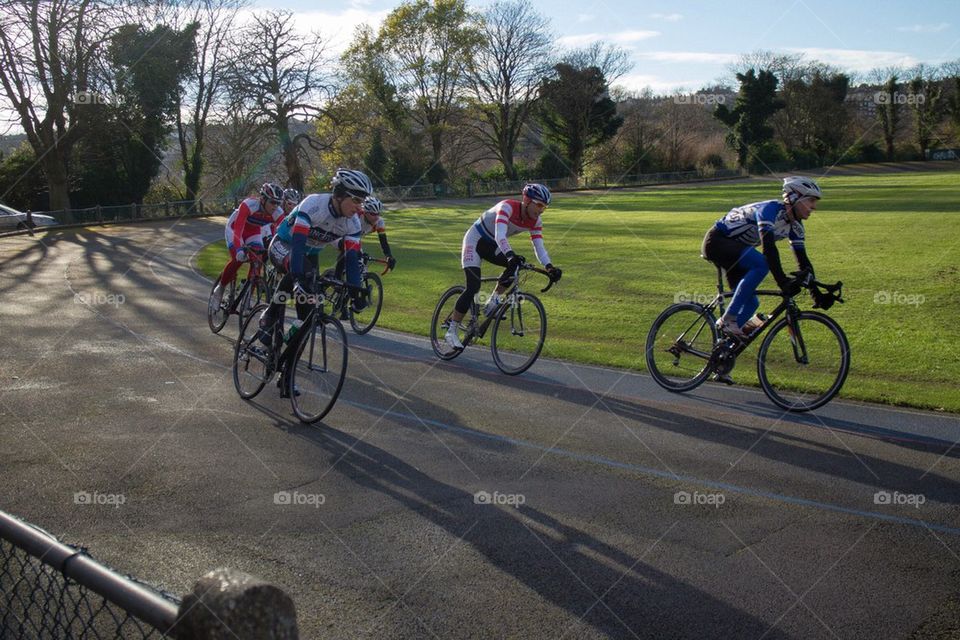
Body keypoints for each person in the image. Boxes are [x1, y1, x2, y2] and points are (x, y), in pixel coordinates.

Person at [258, 169, 374, 394]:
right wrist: (299, 279)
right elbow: (299, 245)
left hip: (311, 255)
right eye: (356, 200)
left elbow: (351, 261)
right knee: (298, 270)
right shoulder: (314, 205)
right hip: (285, 244)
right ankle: (270, 313)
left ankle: (287, 374)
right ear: (339, 195)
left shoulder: (352, 223)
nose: (360, 208)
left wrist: (356, 292)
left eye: (363, 201)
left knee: (307, 318)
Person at [701, 176, 822, 339]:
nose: (813, 207)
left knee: (751, 304)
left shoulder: (796, 226)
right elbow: (769, 249)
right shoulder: (770, 210)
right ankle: (727, 320)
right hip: (717, 241)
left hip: (737, 254)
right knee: (761, 264)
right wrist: (783, 282)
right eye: (811, 201)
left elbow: (803, 260)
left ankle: (722, 347)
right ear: (794, 198)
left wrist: (816, 292)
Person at [444, 183, 562, 349]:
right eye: (539, 205)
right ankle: (452, 330)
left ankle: (493, 301)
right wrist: (509, 254)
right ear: (527, 200)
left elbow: (539, 246)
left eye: (545, 207)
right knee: (473, 286)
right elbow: (500, 235)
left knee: (517, 264)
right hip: (475, 239)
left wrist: (549, 266)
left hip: (491, 245)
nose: (541, 210)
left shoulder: (535, 221)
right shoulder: (507, 207)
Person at [212, 183, 283, 307]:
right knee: (238, 259)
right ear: (263, 199)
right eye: (272, 202)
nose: (275, 206)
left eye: (278, 203)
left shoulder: (278, 212)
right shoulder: (249, 205)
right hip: (235, 229)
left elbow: (283, 233)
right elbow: (238, 229)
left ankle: (248, 296)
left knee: (257, 261)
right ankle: (221, 288)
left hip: (254, 232)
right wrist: (239, 249)